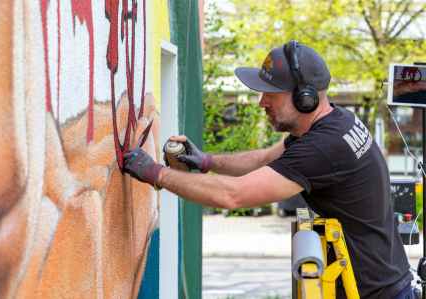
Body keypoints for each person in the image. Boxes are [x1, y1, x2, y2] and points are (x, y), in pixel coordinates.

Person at [123, 40, 414, 298]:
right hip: (381, 282)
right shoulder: (335, 122)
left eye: (271, 94)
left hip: (372, 291)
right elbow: (264, 158)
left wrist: (155, 173)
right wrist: (206, 161)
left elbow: (233, 196)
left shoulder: (323, 147)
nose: (262, 102)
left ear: (305, 97)